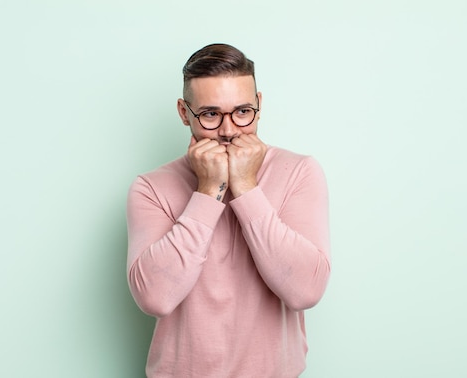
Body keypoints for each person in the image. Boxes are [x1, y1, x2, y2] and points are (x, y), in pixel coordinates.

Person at [126, 43, 331, 378]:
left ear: (259, 105)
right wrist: (208, 191)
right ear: (183, 112)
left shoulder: (300, 172)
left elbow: (306, 291)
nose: (229, 130)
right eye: (210, 114)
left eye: (242, 111)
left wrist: (246, 187)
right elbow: (156, 299)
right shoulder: (150, 187)